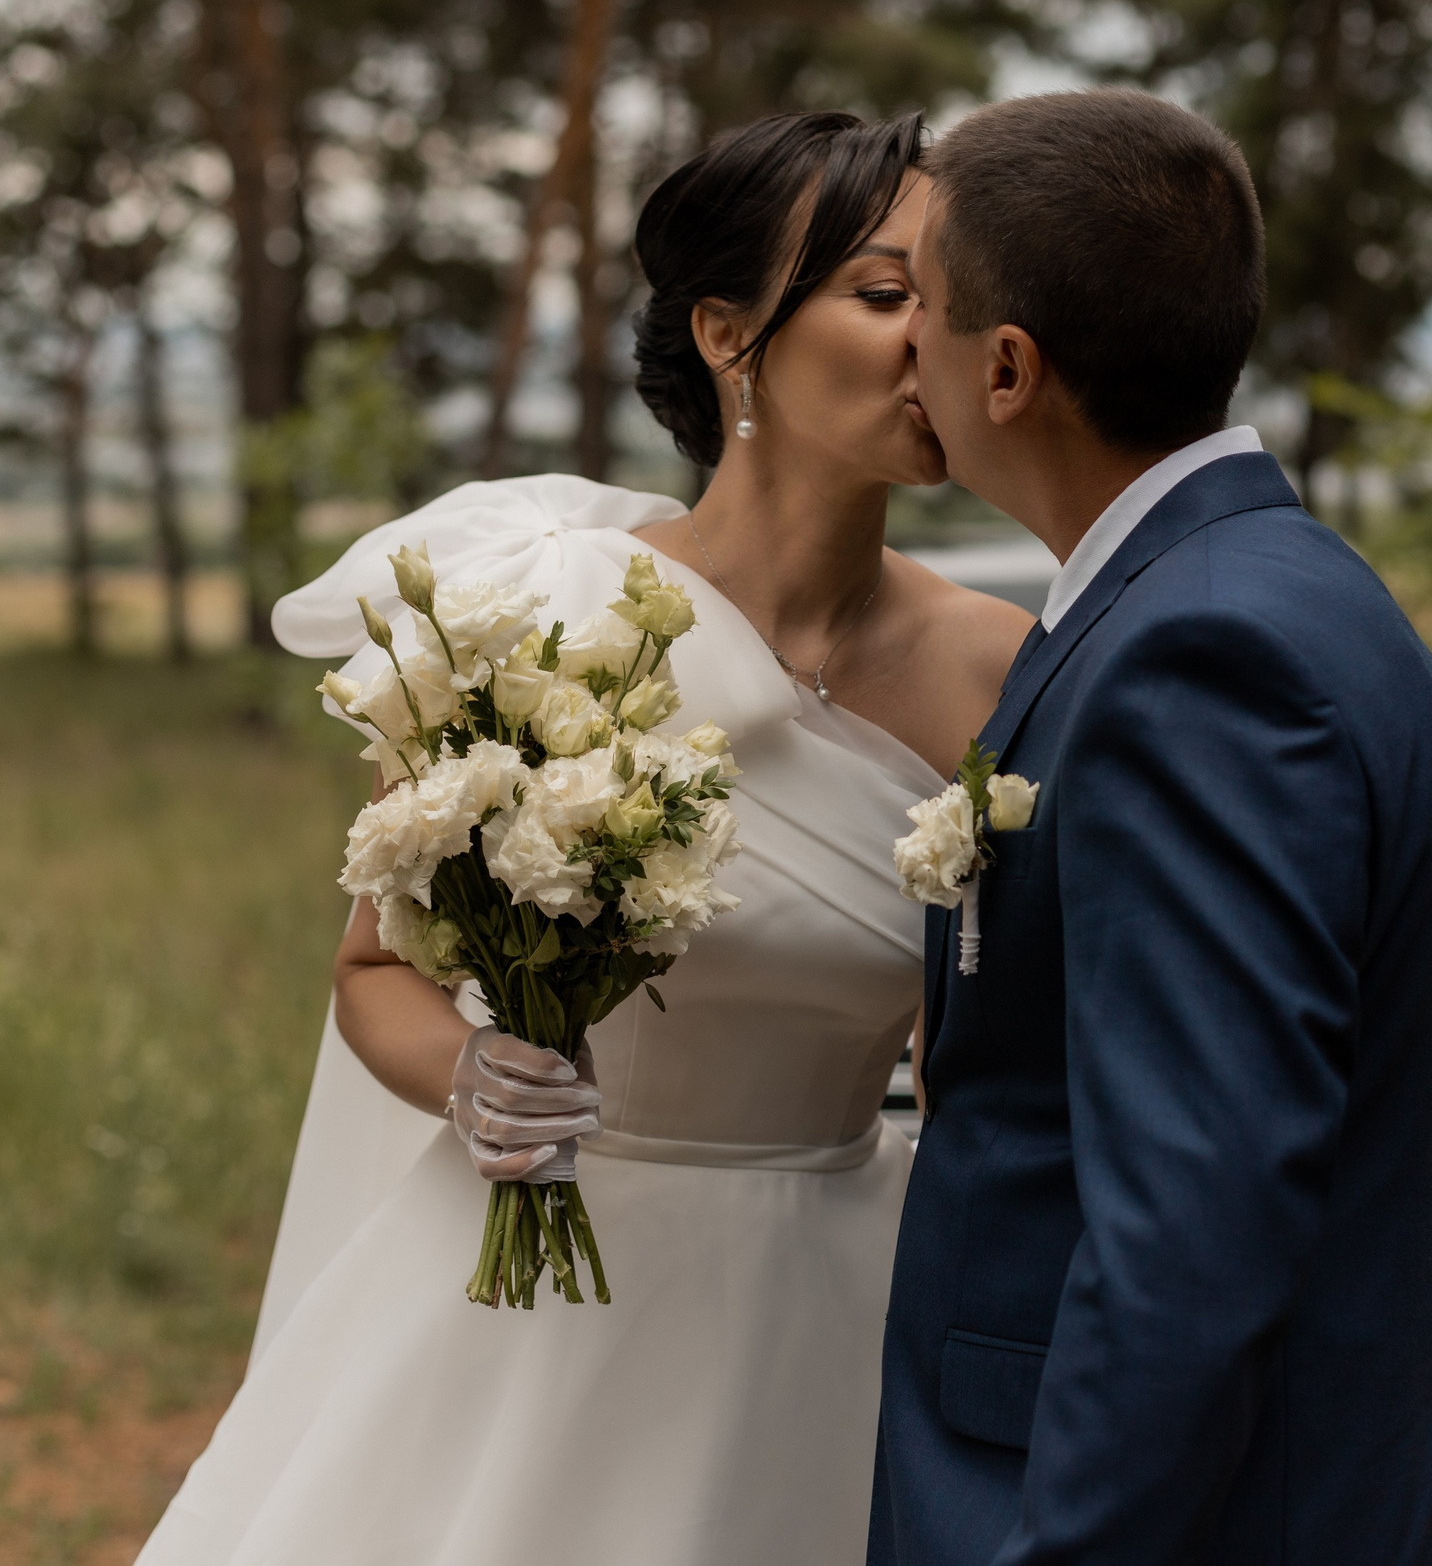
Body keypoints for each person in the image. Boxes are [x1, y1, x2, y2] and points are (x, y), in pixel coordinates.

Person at [135, 110, 1031, 1566]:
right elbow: (375, 976)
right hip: (546, 1304)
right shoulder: (544, 622)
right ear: (730, 333)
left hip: (841, 1306)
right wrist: (478, 1076)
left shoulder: (1000, 668)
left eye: (959, 296)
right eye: (884, 294)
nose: (937, 337)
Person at [871, 90, 1432, 1565]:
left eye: (923, 307)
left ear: (1007, 368)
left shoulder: (1199, 667)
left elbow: (1189, 1236)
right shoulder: (1267, 589)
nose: (902, 347)